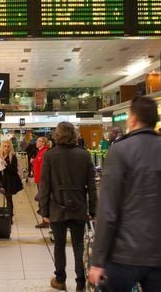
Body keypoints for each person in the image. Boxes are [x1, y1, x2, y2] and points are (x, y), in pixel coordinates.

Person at [89, 96, 161, 291]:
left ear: (132, 119)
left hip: (124, 253)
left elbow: (108, 210)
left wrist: (98, 260)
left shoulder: (120, 152)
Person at [39, 122, 97, 291]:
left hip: (57, 207)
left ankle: (60, 279)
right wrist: (93, 209)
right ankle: (80, 282)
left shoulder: (50, 155)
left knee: (59, 245)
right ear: (74, 135)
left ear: (57, 135)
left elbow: (45, 185)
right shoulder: (84, 155)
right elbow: (91, 186)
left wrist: (44, 210)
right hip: (78, 206)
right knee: (78, 245)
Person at [0, 140, 23, 220]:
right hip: (2, 180)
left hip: (10, 180)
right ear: (2, 147)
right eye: (5, 146)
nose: (6, 148)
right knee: (6, 198)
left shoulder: (12, 157)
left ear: (10, 147)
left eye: (8, 146)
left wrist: (6, 165)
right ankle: (8, 214)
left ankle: (9, 217)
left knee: (9, 198)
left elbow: (14, 170)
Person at [33, 136, 50, 228]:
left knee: (42, 199)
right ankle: (44, 219)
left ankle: (45, 220)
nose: (36, 142)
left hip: (42, 180)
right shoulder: (39, 152)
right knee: (41, 200)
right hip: (38, 180)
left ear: (43, 143)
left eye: (39, 141)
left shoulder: (45, 152)